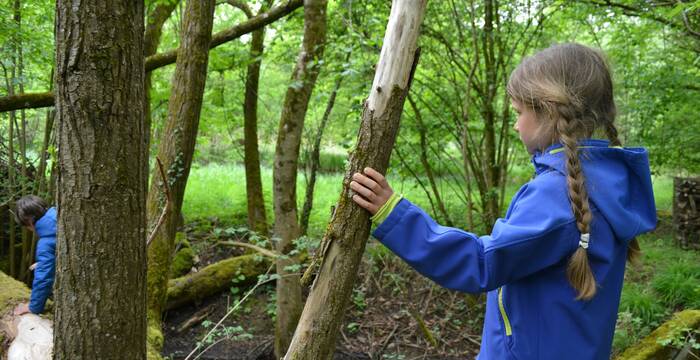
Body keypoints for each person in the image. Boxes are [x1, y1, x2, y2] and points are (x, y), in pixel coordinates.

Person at [349, 43, 656, 359]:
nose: (515, 124)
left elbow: (482, 263)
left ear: (549, 112)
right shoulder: (605, 180)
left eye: (519, 112)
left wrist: (395, 215)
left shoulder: (557, 194)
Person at [12, 195, 56, 316]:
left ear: (29, 222)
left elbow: (44, 278)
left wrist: (33, 307)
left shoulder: (46, 242)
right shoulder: (61, 215)